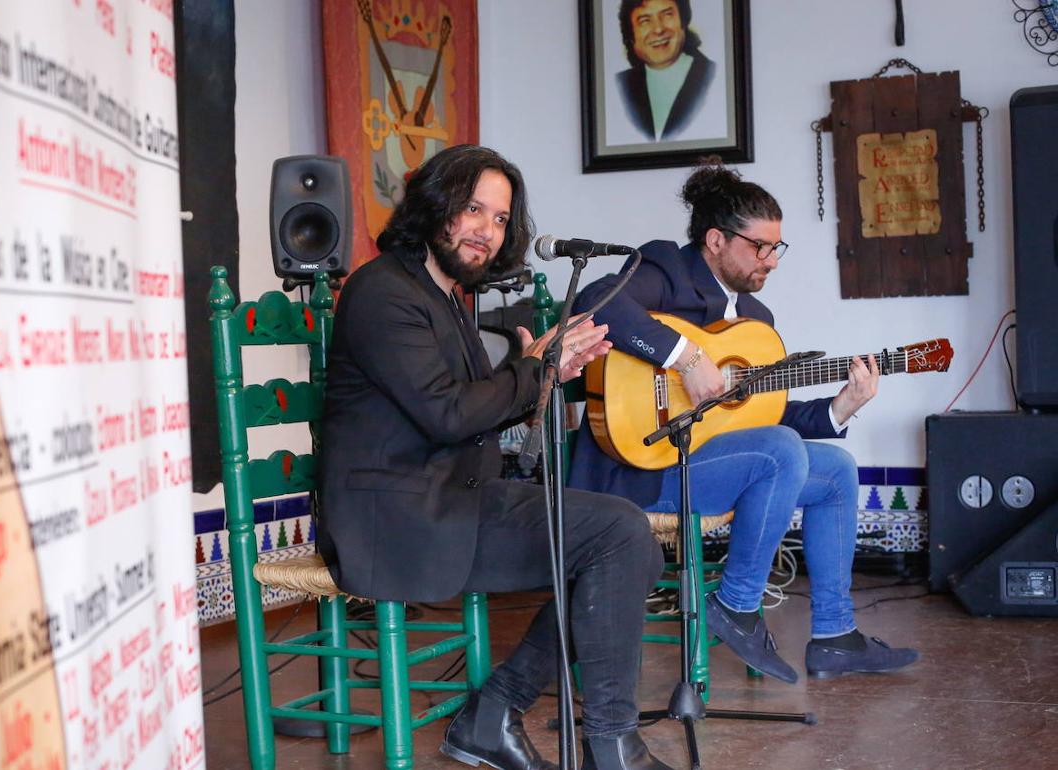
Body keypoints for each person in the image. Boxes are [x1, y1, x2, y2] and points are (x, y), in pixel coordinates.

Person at [319, 144, 676, 770]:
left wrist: (542, 375)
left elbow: (469, 411)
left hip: (447, 498)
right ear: (435, 205)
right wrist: (534, 370)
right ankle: (606, 744)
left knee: (632, 542)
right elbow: (448, 415)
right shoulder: (383, 292)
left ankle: (503, 712)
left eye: (501, 218)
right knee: (619, 535)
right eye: (473, 209)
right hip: (394, 522)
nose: (487, 229)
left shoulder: (445, 296)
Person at [568, 162, 920, 683]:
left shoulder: (756, 321)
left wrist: (842, 406)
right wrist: (688, 358)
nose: (772, 260)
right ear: (716, 240)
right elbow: (594, 304)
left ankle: (835, 635)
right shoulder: (667, 268)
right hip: (641, 467)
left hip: (708, 463)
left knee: (836, 470)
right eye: (760, 247)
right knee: (781, 450)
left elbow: (764, 416)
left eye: (777, 247)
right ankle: (736, 604)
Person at [616, 0, 715, 140]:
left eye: (667, 15)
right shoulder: (619, 86)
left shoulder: (715, 77)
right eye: (645, 21)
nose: (658, 29)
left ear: (683, 22)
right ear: (631, 35)